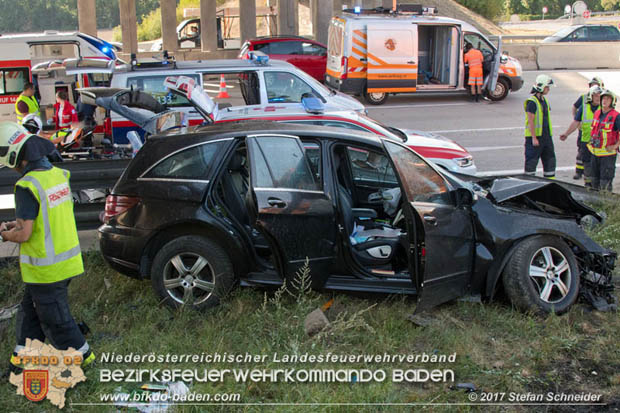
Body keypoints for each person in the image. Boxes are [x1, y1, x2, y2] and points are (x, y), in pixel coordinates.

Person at [0, 122, 94, 375]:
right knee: (30, 315)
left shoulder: (26, 186)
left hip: (46, 270)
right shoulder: (57, 175)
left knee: (56, 322)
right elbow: (44, 218)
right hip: (66, 263)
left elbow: (26, 233)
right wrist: (17, 225)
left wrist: (7, 234)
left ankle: (84, 359)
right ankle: (22, 362)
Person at [559, 85, 602, 187]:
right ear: (591, 96)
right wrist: (566, 134)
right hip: (586, 141)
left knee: (597, 165)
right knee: (587, 163)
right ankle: (588, 185)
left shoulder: (604, 108)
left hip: (599, 143)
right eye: (595, 96)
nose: (598, 98)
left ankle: (597, 186)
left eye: (600, 96)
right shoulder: (584, 108)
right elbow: (576, 123)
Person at [571, 76, 604, 179]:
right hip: (584, 132)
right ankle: (579, 171)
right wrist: (577, 121)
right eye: (592, 85)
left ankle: (590, 176)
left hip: (597, 136)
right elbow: (574, 107)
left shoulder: (604, 100)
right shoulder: (584, 97)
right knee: (582, 152)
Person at [586, 89, 620, 191]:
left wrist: (615, 146)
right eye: (603, 98)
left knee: (605, 183)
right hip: (594, 154)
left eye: (607, 99)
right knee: (593, 180)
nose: (604, 101)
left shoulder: (616, 116)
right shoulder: (597, 113)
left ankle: (605, 204)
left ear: (612, 102)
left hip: (607, 156)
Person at [524, 75, 556, 178]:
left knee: (550, 162)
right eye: (547, 87)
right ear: (541, 87)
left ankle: (550, 185)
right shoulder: (532, 102)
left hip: (546, 137)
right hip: (536, 138)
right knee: (531, 164)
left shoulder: (544, 100)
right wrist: (534, 138)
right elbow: (531, 121)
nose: (548, 89)